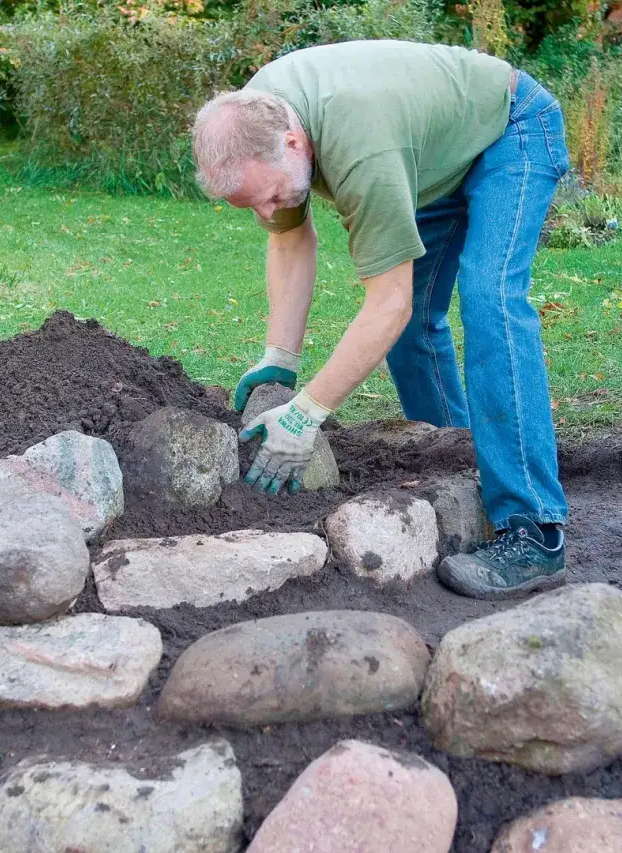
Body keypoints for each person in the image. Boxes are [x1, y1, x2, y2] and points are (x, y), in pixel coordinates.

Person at [190, 38, 571, 600]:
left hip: (509, 130)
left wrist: (307, 414)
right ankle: (456, 463)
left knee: (490, 300)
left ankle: (533, 531)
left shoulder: (357, 150)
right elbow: (292, 240)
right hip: (429, 159)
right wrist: (280, 359)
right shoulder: (259, 119)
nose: (269, 213)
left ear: (295, 143)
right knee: (414, 329)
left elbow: (386, 302)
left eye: (268, 196)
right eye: (254, 206)